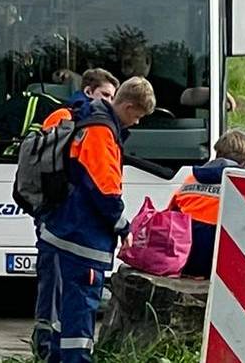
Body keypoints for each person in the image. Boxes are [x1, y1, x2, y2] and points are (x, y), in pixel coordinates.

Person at [36, 77, 156, 363]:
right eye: (137, 115)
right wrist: (122, 224)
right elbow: (104, 188)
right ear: (126, 106)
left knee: (60, 320)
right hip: (81, 238)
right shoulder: (101, 131)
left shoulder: (86, 119)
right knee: (79, 318)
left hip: (62, 231)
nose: (136, 123)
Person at [32, 68, 117, 359]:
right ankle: (44, 345)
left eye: (113, 97)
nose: (109, 101)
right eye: (105, 94)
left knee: (58, 288)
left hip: (58, 215)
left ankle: (48, 346)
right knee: (54, 286)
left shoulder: (79, 118)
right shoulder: (71, 118)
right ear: (89, 90)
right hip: (60, 217)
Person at [171, 131, 245, 278]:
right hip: (220, 262)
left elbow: (171, 215)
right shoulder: (243, 186)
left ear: (217, 154)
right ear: (244, 162)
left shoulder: (191, 179)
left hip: (184, 258)